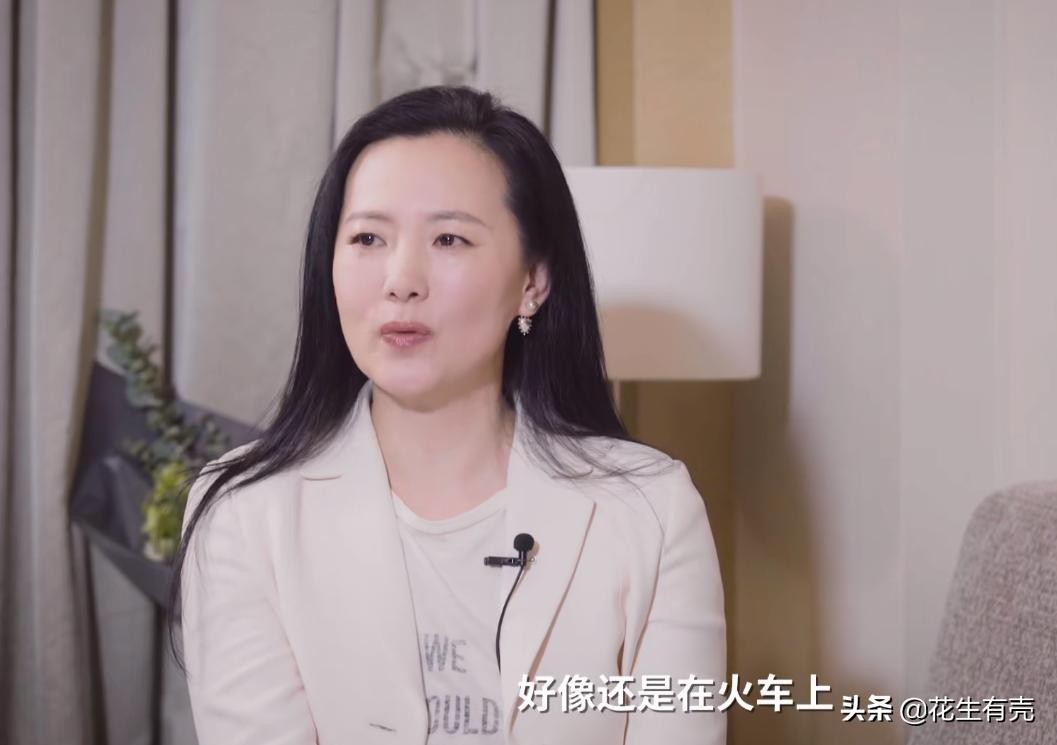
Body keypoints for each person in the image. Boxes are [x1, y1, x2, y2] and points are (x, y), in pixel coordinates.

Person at [171, 85, 726, 745]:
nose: (401, 279)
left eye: (450, 238)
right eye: (368, 237)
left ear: (533, 282)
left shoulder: (652, 509)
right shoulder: (243, 513)